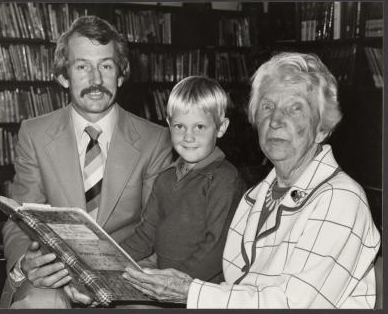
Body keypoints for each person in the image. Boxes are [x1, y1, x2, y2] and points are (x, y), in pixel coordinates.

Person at [122, 52, 381, 309]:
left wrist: (189, 292)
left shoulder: (340, 199)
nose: (276, 121)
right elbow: (239, 287)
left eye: (295, 108)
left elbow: (293, 304)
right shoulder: (256, 195)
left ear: (322, 128)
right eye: (267, 107)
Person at [0, 16, 172, 308]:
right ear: (63, 76)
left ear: (120, 74)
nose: (95, 80)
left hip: (128, 276)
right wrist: (27, 263)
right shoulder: (34, 133)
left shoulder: (155, 140)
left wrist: (108, 282)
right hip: (53, 274)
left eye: (106, 66)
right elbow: (19, 220)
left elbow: (158, 231)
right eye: (82, 67)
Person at [121, 76, 247, 285]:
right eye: (179, 126)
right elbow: (145, 235)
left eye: (199, 127)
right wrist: (108, 259)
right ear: (169, 124)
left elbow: (216, 248)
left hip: (203, 289)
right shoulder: (165, 177)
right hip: (164, 282)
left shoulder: (224, 178)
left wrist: (174, 283)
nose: (188, 137)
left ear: (221, 127)